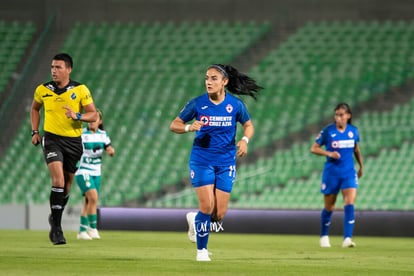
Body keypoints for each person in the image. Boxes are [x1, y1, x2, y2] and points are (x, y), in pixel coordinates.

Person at [170, 64, 262, 261]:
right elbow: (174, 124)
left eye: (213, 78)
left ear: (224, 82)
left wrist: (245, 140)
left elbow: (248, 125)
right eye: (206, 78)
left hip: (226, 162)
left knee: (218, 214)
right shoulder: (197, 103)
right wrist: (188, 127)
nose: (208, 82)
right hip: (202, 160)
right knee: (206, 206)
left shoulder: (235, 105)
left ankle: (195, 220)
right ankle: (201, 251)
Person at [30, 53, 98, 245]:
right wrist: (35, 131)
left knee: (67, 185)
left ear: (69, 69)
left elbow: (93, 115)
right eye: (52, 67)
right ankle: (57, 230)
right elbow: (35, 109)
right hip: (52, 139)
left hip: (74, 142)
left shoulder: (80, 89)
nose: (54, 70)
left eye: (58, 67)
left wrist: (77, 115)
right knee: (58, 179)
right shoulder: (42, 90)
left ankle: (55, 215)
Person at [310, 102, 364, 248]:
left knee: (350, 202)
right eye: (336, 115)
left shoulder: (354, 131)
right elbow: (313, 148)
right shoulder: (328, 131)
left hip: (348, 172)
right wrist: (328, 153)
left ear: (348, 116)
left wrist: (361, 166)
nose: (338, 118)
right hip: (332, 173)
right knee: (329, 206)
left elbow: (356, 150)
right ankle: (324, 236)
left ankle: (347, 238)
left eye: (341, 115)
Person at [75, 109, 115, 240]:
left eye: (95, 119)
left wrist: (110, 151)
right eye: (90, 119)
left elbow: (108, 147)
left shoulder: (103, 135)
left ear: (100, 121)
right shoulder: (81, 134)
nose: (92, 122)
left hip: (96, 171)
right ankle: (92, 228)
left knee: (89, 201)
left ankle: (82, 231)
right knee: (93, 196)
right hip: (83, 170)